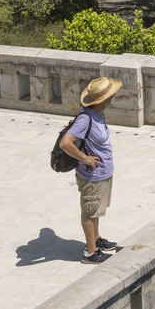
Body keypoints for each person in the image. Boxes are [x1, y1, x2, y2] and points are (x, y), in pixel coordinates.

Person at [60, 77, 120, 263]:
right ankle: (90, 252)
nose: (113, 97)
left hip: (103, 172)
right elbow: (65, 143)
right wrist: (84, 158)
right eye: (111, 95)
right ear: (102, 100)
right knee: (89, 211)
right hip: (91, 175)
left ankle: (96, 239)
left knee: (96, 209)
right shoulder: (85, 119)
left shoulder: (98, 113)